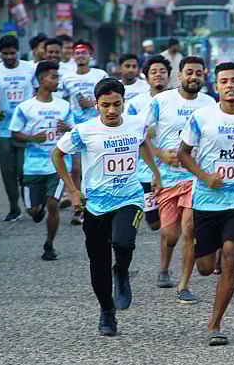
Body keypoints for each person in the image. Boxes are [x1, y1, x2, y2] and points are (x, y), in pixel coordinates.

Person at [54, 78, 160, 336]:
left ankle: (121, 270)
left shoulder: (135, 124)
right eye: (105, 105)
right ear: (97, 105)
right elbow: (57, 154)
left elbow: (143, 143)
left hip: (129, 198)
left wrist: (155, 172)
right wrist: (73, 190)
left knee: (124, 243)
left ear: (124, 103)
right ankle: (106, 311)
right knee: (97, 262)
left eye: (117, 104)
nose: (112, 111)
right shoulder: (85, 130)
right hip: (96, 204)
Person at [177, 62, 234, 346]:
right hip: (206, 199)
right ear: (216, 87)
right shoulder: (201, 117)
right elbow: (183, 154)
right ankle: (210, 254)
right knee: (205, 268)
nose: (230, 85)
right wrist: (204, 175)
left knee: (232, 253)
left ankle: (215, 323)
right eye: (224, 81)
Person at [146, 57, 214, 297]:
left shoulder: (209, 103)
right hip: (167, 178)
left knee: (189, 229)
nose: (193, 77)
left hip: (194, 178)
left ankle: (184, 284)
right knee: (169, 234)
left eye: (198, 73)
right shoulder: (161, 101)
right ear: (180, 74)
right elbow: (140, 135)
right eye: (189, 73)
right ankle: (164, 268)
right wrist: (159, 155)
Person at [9, 61, 73, 261]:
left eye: (57, 76)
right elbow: (15, 135)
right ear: (41, 79)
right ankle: (37, 209)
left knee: (53, 204)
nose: (56, 81)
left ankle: (49, 245)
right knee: (33, 210)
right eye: (53, 77)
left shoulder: (64, 105)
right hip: (33, 166)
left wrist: (68, 129)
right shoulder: (25, 107)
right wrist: (32, 137)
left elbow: (76, 131)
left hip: (58, 164)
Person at [0, 35, 36, 222]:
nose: (9, 57)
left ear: (18, 52)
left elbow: (39, 92)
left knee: (24, 169)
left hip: (26, 127)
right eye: (5, 54)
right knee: (8, 171)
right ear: (0, 53)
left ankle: (31, 202)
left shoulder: (30, 69)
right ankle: (14, 207)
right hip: (4, 128)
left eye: (12, 53)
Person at [60, 41, 109, 225]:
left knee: (96, 166)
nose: (80, 56)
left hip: (98, 126)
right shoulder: (67, 78)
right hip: (75, 127)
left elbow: (109, 98)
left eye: (84, 53)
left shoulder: (100, 75)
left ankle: (97, 202)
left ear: (91, 56)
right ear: (73, 57)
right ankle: (78, 205)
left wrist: (93, 104)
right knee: (76, 167)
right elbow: (62, 100)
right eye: (77, 53)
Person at [129, 56, 170, 232]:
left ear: (169, 75)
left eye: (162, 71)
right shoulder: (136, 103)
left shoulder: (176, 99)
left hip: (174, 170)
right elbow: (129, 132)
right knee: (154, 222)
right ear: (146, 77)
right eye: (153, 72)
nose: (158, 75)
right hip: (145, 170)